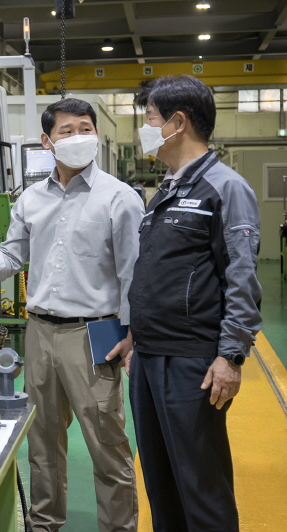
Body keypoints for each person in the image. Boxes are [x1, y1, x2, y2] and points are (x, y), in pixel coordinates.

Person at [0, 98, 143, 532]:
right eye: (67, 130)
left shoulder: (120, 198)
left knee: (107, 445)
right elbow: (10, 258)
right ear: (47, 141)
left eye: (85, 128)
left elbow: (135, 275)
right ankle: (43, 524)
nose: (78, 136)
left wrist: (134, 337)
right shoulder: (31, 200)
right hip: (40, 333)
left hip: (96, 333)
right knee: (42, 444)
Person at [123, 75, 262, 532]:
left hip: (192, 362)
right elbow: (158, 272)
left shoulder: (225, 187)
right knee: (161, 484)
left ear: (177, 122)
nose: (143, 128)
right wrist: (134, 337)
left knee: (201, 485)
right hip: (148, 355)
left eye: (148, 119)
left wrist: (231, 356)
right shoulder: (167, 188)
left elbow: (241, 277)